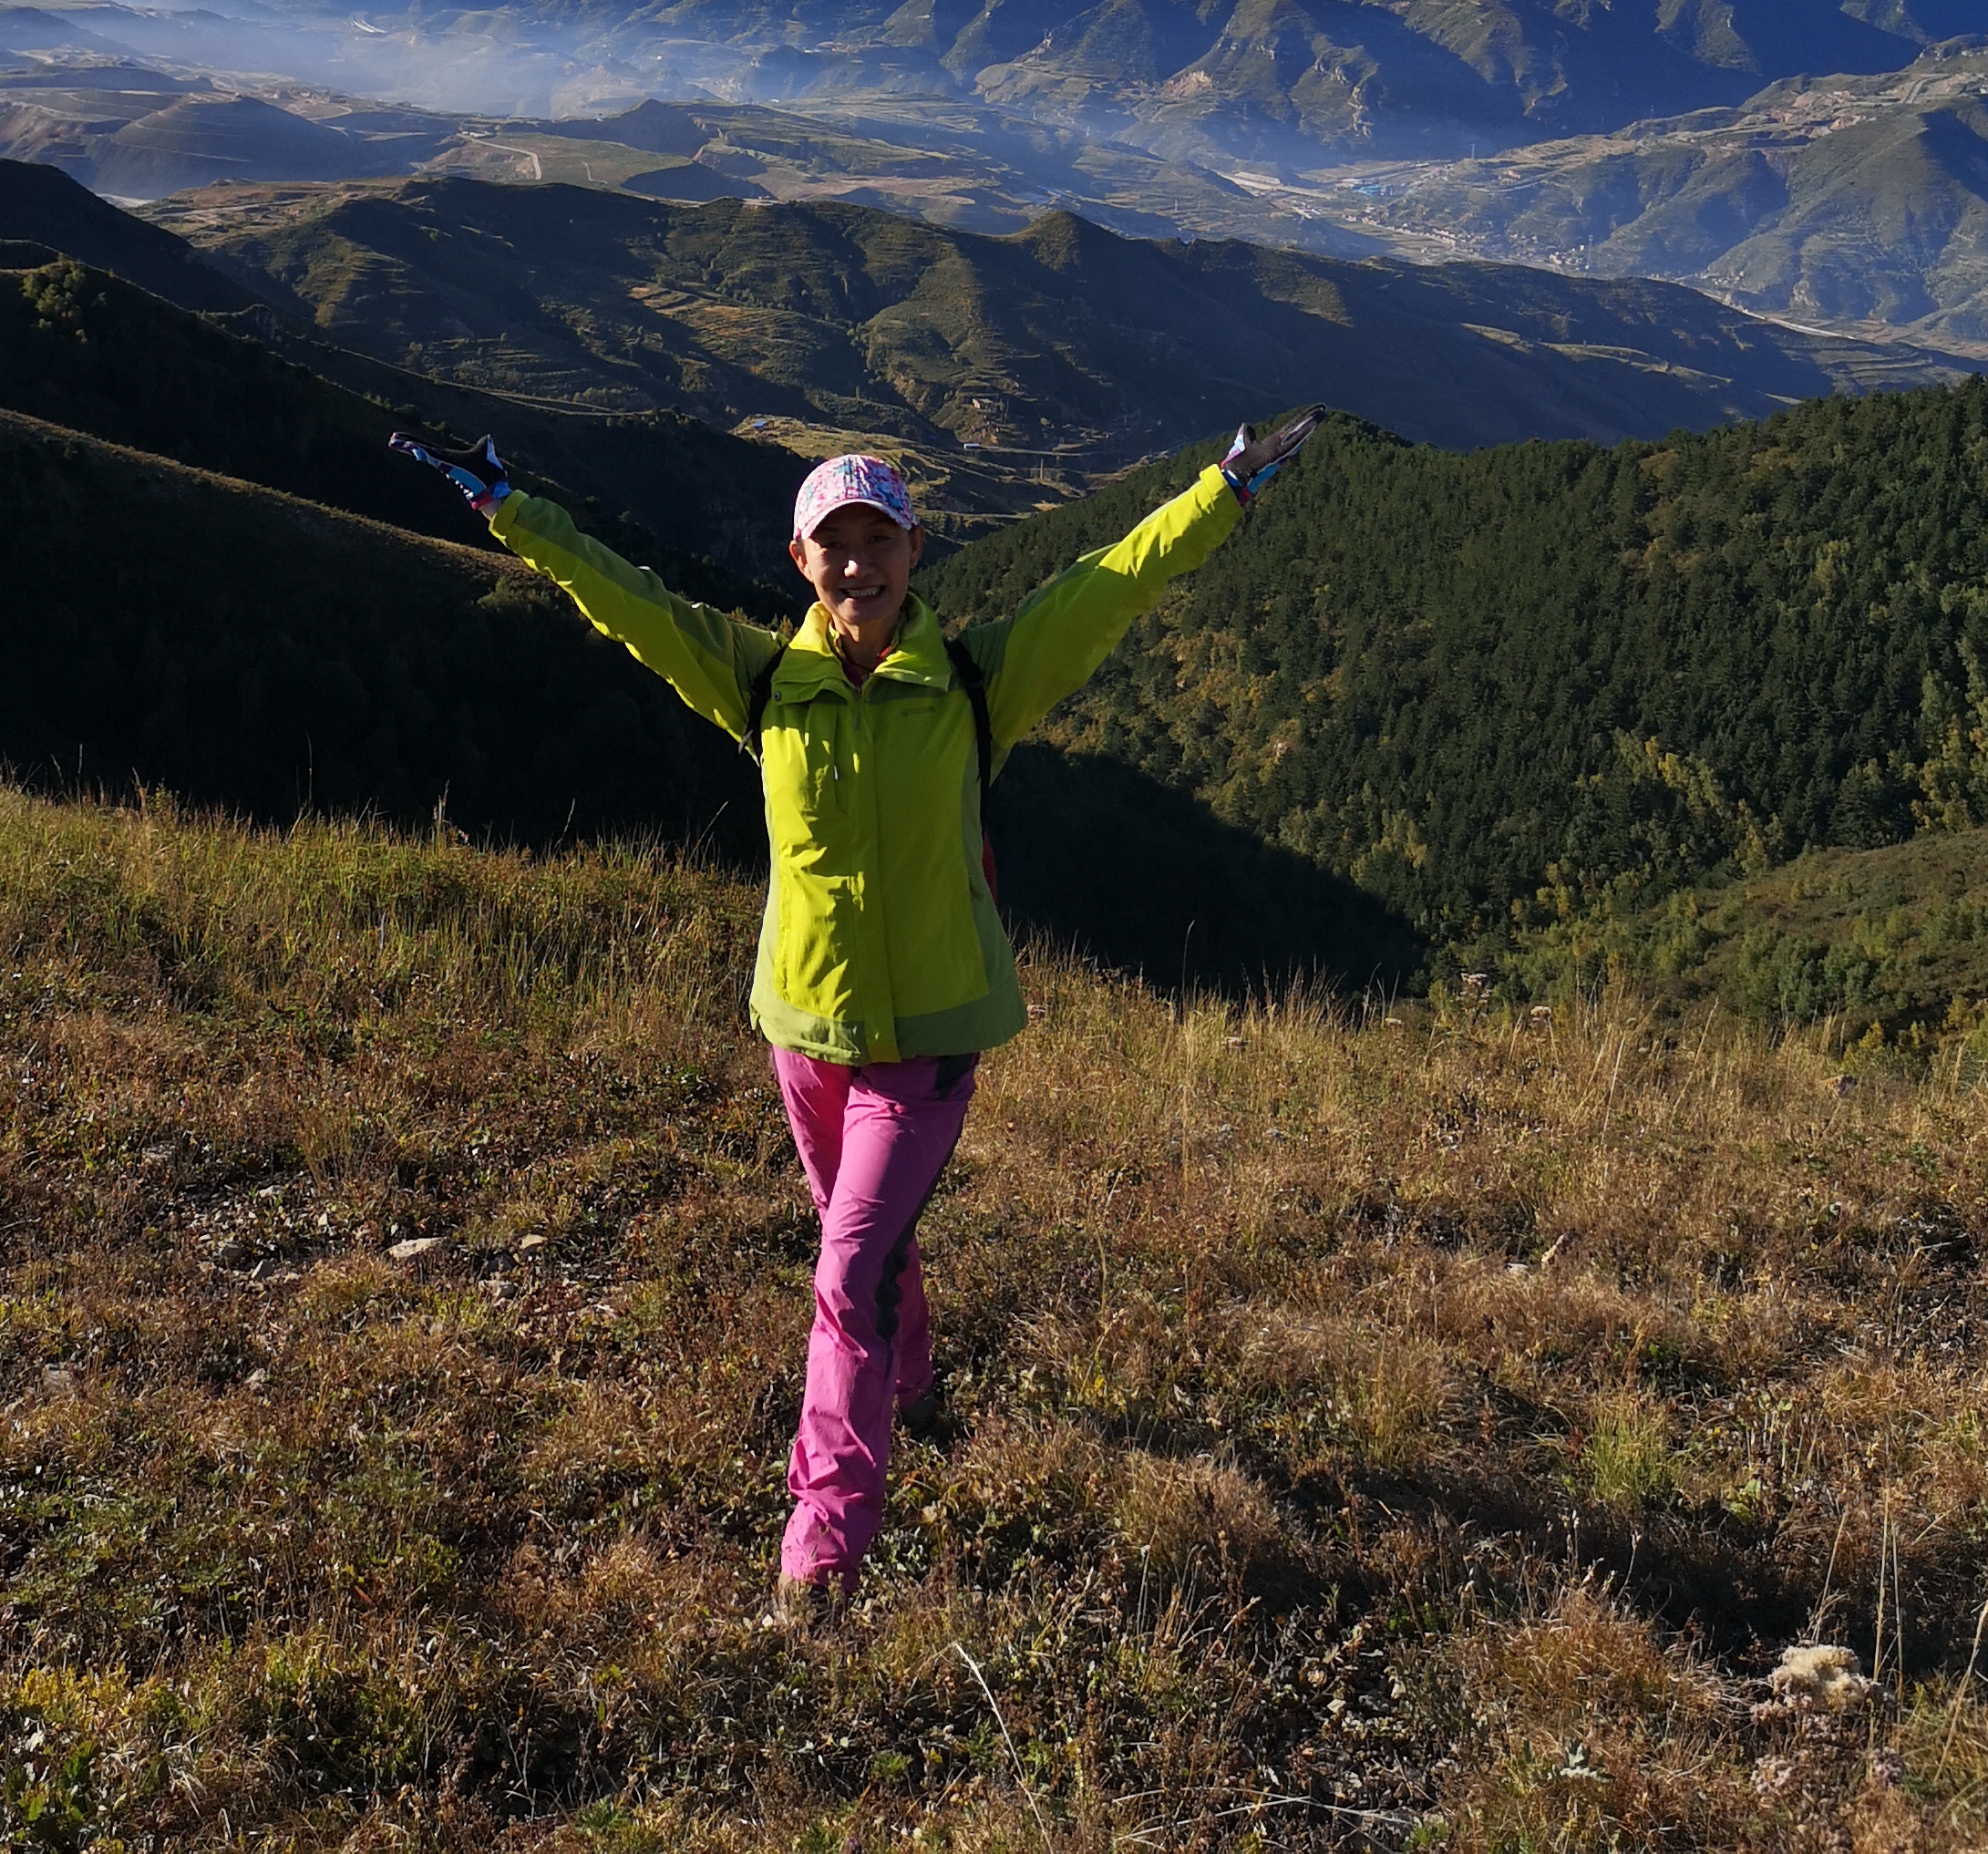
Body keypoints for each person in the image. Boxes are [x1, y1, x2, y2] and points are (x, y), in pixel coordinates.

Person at [395, 406, 1324, 1622]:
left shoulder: (978, 678)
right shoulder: (760, 682)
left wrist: (1224, 491)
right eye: (834, 543)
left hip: (933, 1035)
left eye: (879, 539)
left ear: (915, 549)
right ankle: (918, 1385)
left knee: (845, 1268)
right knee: (866, 1244)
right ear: (801, 561)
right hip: (808, 1031)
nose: (858, 564)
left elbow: (1108, 586)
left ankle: (824, 1548)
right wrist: (506, 506)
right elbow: (622, 599)